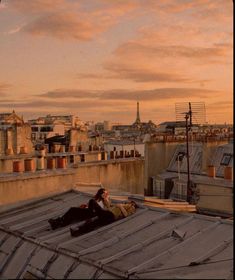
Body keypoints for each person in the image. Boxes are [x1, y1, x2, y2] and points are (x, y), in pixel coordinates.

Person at [70, 200, 138, 237]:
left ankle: (89, 214)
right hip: (108, 216)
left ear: (133, 204)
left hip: (110, 215)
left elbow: (126, 214)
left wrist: (120, 206)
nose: (128, 202)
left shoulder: (131, 207)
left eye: (130, 202)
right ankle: (78, 231)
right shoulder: (124, 204)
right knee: (93, 224)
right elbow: (111, 207)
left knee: (92, 202)